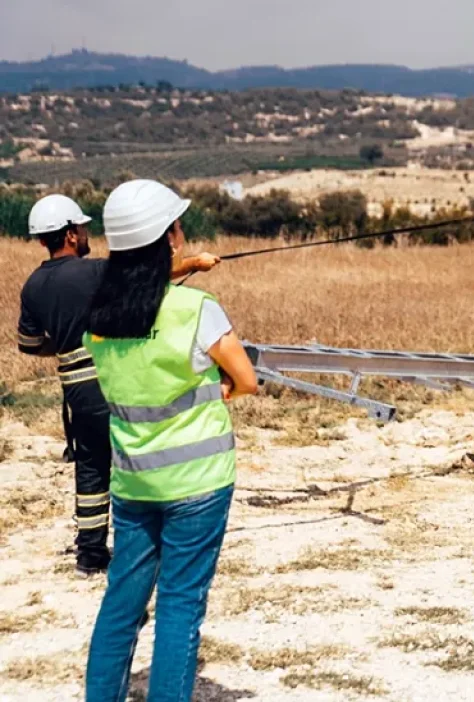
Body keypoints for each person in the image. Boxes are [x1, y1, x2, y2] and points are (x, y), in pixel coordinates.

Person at [82, 179, 257, 702]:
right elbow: (246, 380)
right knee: (180, 609)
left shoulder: (100, 318)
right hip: (199, 484)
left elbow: (133, 285)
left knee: (121, 607)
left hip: (134, 481)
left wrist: (186, 266)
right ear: (170, 238)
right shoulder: (196, 311)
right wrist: (221, 389)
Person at [17, 193, 220, 577]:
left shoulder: (32, 286)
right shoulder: (92, 272)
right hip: (111, 380)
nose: (87, 232)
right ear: (71, 235)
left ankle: (90, 555)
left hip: (75, 389)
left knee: (91, 468)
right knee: (138, 456)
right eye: (83, 227)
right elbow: (143, 277)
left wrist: (64, 345)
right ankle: (154, 544)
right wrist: (195, 263)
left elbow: (28, 344)